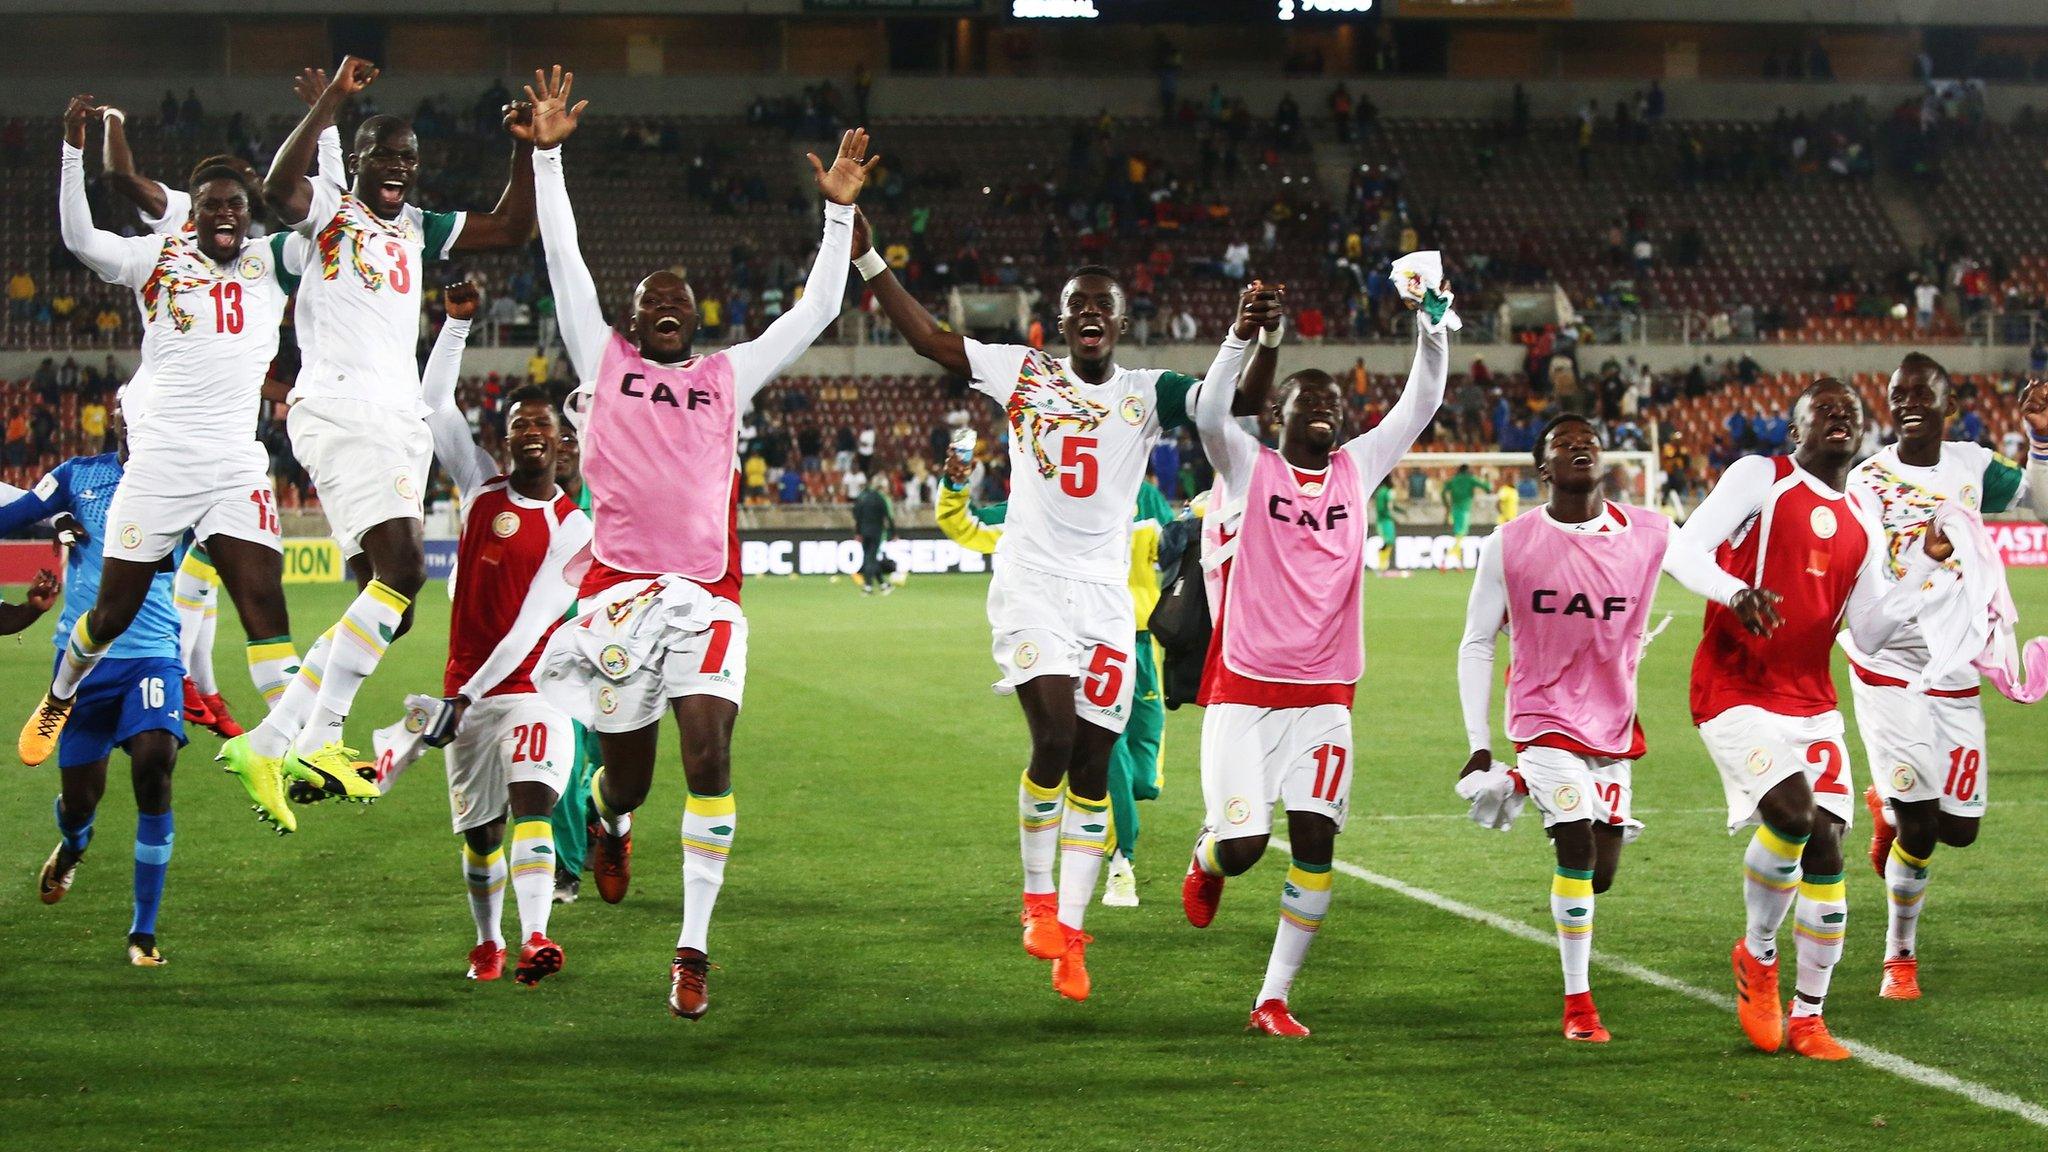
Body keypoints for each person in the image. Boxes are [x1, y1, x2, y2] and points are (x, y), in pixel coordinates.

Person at [520, 70, 872, 1018]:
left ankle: (693, 948)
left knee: (710, 755)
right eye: (652, 299)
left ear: (698, 315)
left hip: (709, 598)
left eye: (680, 298)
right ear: (634, 320)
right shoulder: (605, 359)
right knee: (626, 773)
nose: (666, 305)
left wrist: (837, 218)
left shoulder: (728, 375)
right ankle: (607, 819)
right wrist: (547, 156)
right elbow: (564, 261)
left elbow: (815, 315)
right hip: (617, 599)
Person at [853, 213, 1223, 1003]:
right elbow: (929, 338)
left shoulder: (1148, 394)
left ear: (1122, 322)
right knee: (1053, 735)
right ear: (1060, 322)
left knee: (1094, 766)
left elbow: (1229, 402)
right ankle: (1036, 900)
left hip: (1104, 601)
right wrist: (866, 254)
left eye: (1104, 305)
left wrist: (1257, 340)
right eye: (1076, 304)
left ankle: (1072, 938)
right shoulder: (1021, 372)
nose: (1090, 314)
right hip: (1028, 581)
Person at [234, 56, 539, 812]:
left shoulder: (416, 229)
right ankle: (317, 741)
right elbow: (276, 192)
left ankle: (269, 742)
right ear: (360, 158)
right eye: (385, 154)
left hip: (394, 417)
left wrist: (527, 148)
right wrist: (330, 105)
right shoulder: (331, 216)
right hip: (345, 408)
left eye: (410, 157)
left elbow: (511, 228)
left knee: (386, 612)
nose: (399, 166)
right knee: (403, 574)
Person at [22, 98, 306, 833]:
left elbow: (325, 222)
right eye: (210, 205)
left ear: (250, 213)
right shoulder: (157, 257)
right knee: (110, 614)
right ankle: (61, 694)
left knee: (264, 607)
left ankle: (299, 748)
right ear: (192, 211)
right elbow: (82, 238)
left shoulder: (270, 258)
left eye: (234, 207)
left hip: (238, 466)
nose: (224, 217)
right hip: (159, 465)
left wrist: (328, 123)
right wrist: (72, 151)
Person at [1180, 274, 1447, 1036]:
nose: (1329, 409)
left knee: (1316, 844)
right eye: (1311, 401)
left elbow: (1421, 402)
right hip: (1243, 690)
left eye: (1336, 403)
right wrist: (1244, 336)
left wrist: (1432, 322)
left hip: (1327, 695)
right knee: (1243, 845)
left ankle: (1272, 999)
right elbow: (1207, 410)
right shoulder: (1245, 467)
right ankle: (1207, 858)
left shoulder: (1357, 471)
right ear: (1279, 416)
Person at [1457, 413, 1774, 1043]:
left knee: (1599, 874)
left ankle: (1523, 786)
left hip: (1611, 723)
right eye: (1562, 442)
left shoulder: (1651, 532)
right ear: (1542, 468)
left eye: (1589, 441)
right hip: (1542, 718)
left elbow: (1694, 567)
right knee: (1574, 846)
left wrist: (1738, 594)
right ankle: (1579, 1005)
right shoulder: (1509, 544)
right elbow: (1476, 644)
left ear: (1605, 461)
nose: (1580, 446)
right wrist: (1478, 744)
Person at [1678, 376, 1949, 1061]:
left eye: (1849, 412)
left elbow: (1869, 626)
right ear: (1794, 430)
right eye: (1821, 410)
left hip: (1810, 699)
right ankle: (1758, 955)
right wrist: (1734, 592)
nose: (1838, 417)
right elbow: (1682, 551)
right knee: (1793, 815)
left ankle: (1809, 1017)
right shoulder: (1758, 478)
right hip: (1734, 686)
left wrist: (1925, 567)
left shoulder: (1863, 515)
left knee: (1827, 845)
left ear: (1860, 433)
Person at [1842, 359, 2048, 1000]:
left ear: (1947, 402)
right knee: (1923, 826)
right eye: (1897, 393)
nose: (1907, 403)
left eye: (1921, 394)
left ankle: (1888, 807)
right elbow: (1857, 574)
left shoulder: (1972, 466)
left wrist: (2041, 440)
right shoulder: (1866, 482)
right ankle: (1899, 956)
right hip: (1888, 667)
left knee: (1960, 828)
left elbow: (2040, 503)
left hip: (1955, 662)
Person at [419, 286, 592, 985]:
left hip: (535, 691)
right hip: (467, 693)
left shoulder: (575, 528)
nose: (529, 431)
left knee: (532, 802)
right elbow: (432, 404)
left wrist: (467, 696)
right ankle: (489, 940)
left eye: (540, 425)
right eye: (518, 422)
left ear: (559, 443)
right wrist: (457, 326)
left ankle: (536, 937)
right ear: (504, 438)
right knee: (479, 836)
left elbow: (528, 629)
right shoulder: (477, 490)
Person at [932, 452, 1174, 908]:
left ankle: (1109, 827)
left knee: (1145, 774)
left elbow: (1170, 545)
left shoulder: (1143, 498)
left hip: (1139, 641)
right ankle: (1121, 862)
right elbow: (965, 525)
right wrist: (954, 484)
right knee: (1108, 753)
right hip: (1081, 641)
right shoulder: (1040, 504)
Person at [1, 415, 186, 966]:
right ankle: (74, 843)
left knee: (155, 764)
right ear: (118, 425)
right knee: (82, 800)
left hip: (152, 653)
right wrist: (57, 513)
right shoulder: (77, 477)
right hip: (85, 662)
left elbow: (186, 564)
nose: (138, 429)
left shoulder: (182, 483)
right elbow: (13, 513)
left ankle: (143, 933)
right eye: (130, 421)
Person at [546, 419, 599, 906]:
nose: (561, 449)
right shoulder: (530, 510)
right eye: (554, 438)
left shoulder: (608, 507)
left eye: (570, 439)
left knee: (607, 777)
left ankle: (601, 832)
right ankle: (565, 869)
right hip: (552, 662)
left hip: (608, 659)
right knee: (562, 765)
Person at [852, 471, 894, 595]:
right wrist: (893, 532)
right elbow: (888, 516)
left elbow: (856, 513)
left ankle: (882, 584)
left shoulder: (863, 497)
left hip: (865, 531)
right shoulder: (882, 499)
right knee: (871, 558)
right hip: (877, 532)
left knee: (870, 558)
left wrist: (858, 531)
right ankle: (869, 586)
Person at [1442, 462, 1492, 558]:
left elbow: (1443, 492)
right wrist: (1487, 478)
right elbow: (1488, 488)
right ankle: (1450, 556)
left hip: (1454, 509)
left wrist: (1447, 506)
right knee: (1461, 533)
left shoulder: (1453, 480)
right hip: (1464, 510)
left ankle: (1456, 558)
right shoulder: (1470, 479)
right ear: (1467, 470)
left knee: (1459, 533)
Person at [1373, 477, 1397, 568]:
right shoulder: (1383, 492)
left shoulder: (1386, 491)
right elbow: (1381, 507)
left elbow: (1391, 505)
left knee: (1390, 541)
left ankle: (1384, 564)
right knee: (1387, 541)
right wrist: (1385, 515)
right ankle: (1381, 564)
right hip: (1383, 520)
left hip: (1388, 520)